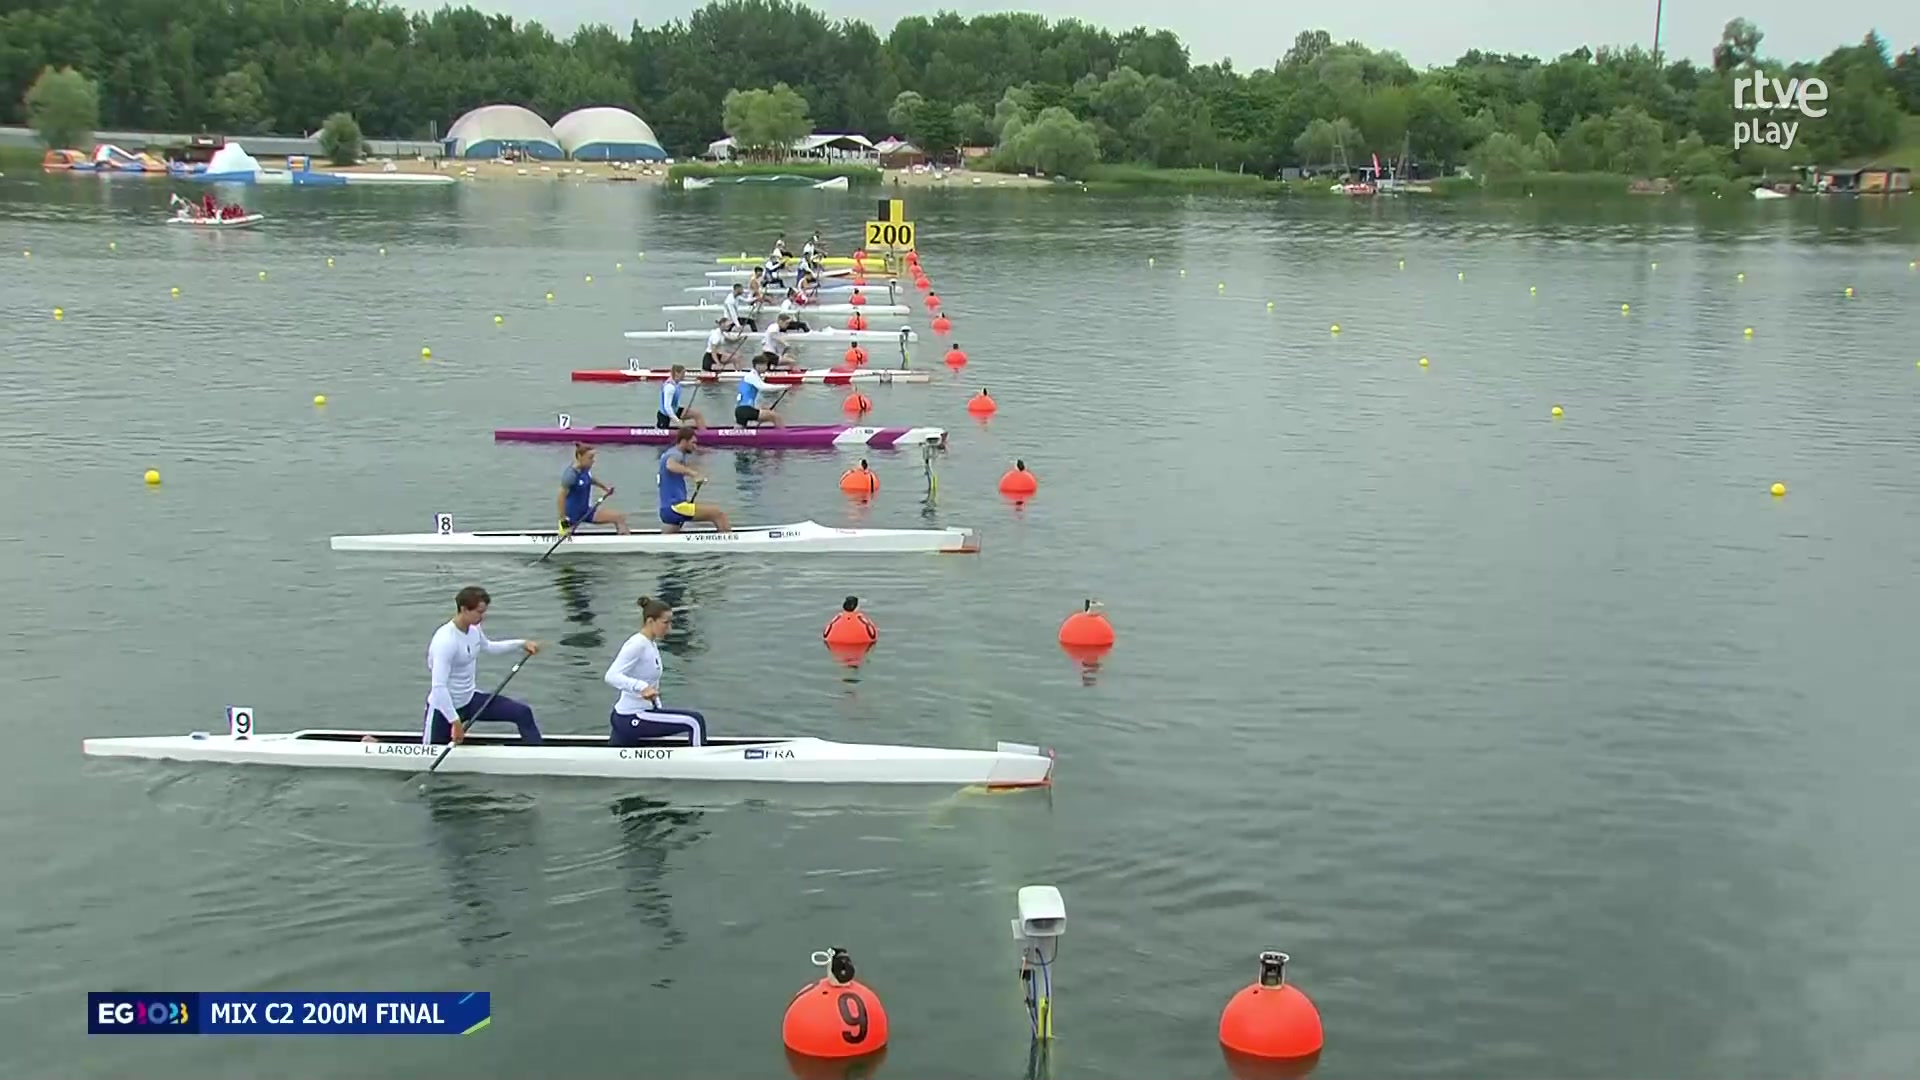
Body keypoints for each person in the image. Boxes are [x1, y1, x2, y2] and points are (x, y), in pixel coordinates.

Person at [423, 586, 542, 745]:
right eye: (479, 612)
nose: (482, 617)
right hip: (444, 710)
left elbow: (490, 647)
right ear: (464, 609)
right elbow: (439, 687)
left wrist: (522, 643)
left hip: (470, 700)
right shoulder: (445, 641)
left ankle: (537, 753)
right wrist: (455, 722)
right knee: (432, 750)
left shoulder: (474, 628)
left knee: (522, 712)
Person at [605, 596, 709, 746]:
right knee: (695, 721)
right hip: (633, 716)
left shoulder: (650, 644)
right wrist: (641, 687)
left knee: (614, 755)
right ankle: (699, 759)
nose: (670, 628)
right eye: (665, 623)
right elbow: (611, 676)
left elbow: (651, 683)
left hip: (636, 714)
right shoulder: (637, 644)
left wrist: (657, 707)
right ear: (650, 622)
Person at [658, 426, 732, 532]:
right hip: (676, 507)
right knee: (718, 514)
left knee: (672, 532)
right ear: (684, 441)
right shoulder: (676, 454)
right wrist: (694, 474)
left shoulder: (669, 453)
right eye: (693, 443)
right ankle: (729, 540)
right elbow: (670, 465)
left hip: (667, 509)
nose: (695, 447)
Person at [558, 443, 631, 535]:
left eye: (593, 458)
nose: (593, 461)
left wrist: (605, 488)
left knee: (619, 518)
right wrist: (564, 522)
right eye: (590, 458)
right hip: (571, 518)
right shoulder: (570, 475)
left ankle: (625, 541)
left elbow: (590, 480)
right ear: (580, 456)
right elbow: (560, 498)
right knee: (567, 537)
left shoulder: (585, 470)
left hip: (586, 512)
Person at [734, 355, 784, 427]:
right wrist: (784, 387)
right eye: (765, 365)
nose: (766, 368)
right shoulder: (752, 376)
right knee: (775, 417)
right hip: (745, 409)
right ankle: (783, 433)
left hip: (740, 410)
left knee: (739, 431)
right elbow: (763, 387)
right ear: (758, 365)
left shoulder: (751, 376)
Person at [657, 363, 706, 428]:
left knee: (697, 414)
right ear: (677, 373)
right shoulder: (670, 387)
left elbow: (684, 384)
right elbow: (667, 407)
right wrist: (677, 421)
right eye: (683, 374)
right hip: (665, 415)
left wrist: (695, 383)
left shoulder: (676, 383)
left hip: (675, 410)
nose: (684, 376)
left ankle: (703, 432)